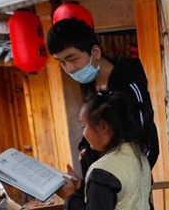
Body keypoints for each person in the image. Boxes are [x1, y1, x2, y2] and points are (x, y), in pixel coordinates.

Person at [46, 18, 159, 177]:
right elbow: (91, 128)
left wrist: (131, 181)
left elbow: (147, 140)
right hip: (101, 181)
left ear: (96, 52)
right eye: (62, 62)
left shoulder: (129, 80)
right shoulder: (88, 85)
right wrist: (85, 149)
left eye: (72, 59)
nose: (69, 69)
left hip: (127, 182)